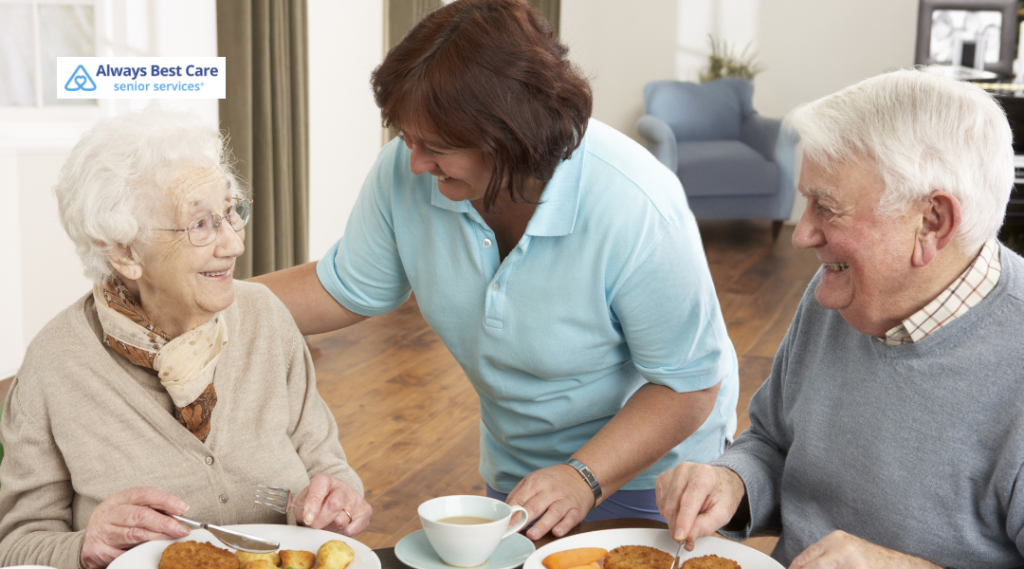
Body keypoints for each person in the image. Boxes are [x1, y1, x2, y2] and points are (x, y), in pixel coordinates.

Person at [255, 0, 738, 541]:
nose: (414, 162)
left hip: (657, 478)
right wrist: (198, 301)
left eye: (434, 147)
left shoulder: (636, 204)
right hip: (522, 472)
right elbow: (341, 287)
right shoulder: (408, 172)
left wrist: (584, 477)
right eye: (407, 138)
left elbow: (688, 386)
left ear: (509, 137)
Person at [655, 69, 1024, 568]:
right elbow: (772, 442)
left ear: (932, 222)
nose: (801, 234)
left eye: (826, 208)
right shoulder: (842, 290)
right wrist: (732, 480)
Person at [0, 109, 371, 569]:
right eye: (200, 224)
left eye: (231, 212)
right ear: (123, 250)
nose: (233, 244)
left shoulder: (265, 318)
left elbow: (327, 465)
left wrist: (338, 498)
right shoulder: (55, 364)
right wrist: (83, 547)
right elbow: (17, 544)